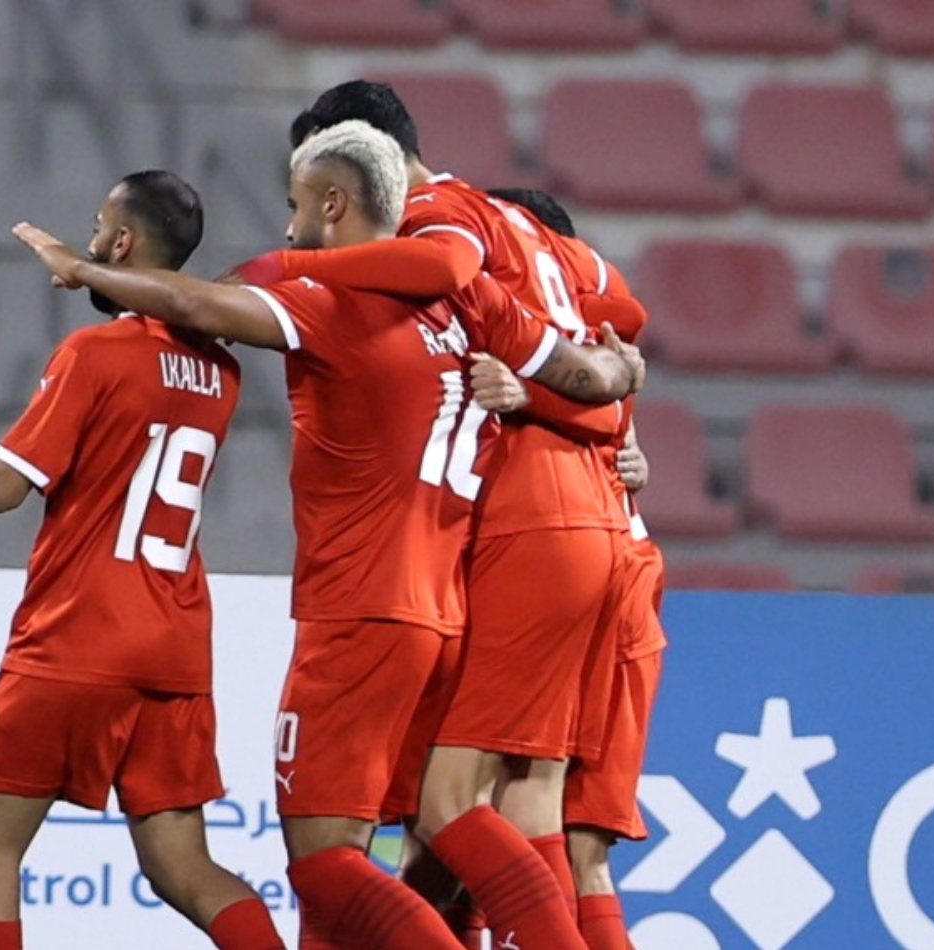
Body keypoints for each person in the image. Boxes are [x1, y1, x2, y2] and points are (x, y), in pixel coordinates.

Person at [13, 121, 640, 950]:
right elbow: (585, 378)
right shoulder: (474, 299)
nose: (286, 227)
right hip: (445, 614)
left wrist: (83, 269)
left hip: (357, 612)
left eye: (295, 207)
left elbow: (198, 303)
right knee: (444, 824)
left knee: (323, 860)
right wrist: (626, 375)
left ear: (335, 204)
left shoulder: (335, 299)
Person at [260, 83, 652, 950]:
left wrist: (286, 269)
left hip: (520, 525)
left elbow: (444, 274)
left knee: (451, 806)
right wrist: (610, 411)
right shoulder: (535, 232)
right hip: (596, 524)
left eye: (310, 195)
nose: (308, 221)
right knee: (525, 805)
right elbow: (620, 331)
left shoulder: (438, 218)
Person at [0, 170, 287, 950]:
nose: (86, 241)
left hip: (78, 635)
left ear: (120, 243)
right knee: (182, 865)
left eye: (95, 225)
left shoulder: (94, 353)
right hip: (175, 644)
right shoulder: (222, 370)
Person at [473, 189, 668, 950]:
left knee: (507, 804)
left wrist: (524, 397)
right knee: (577, 848)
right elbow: (619, 412)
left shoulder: (551, 354)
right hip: (625, 572)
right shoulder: (607, 349)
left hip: (577, 568)